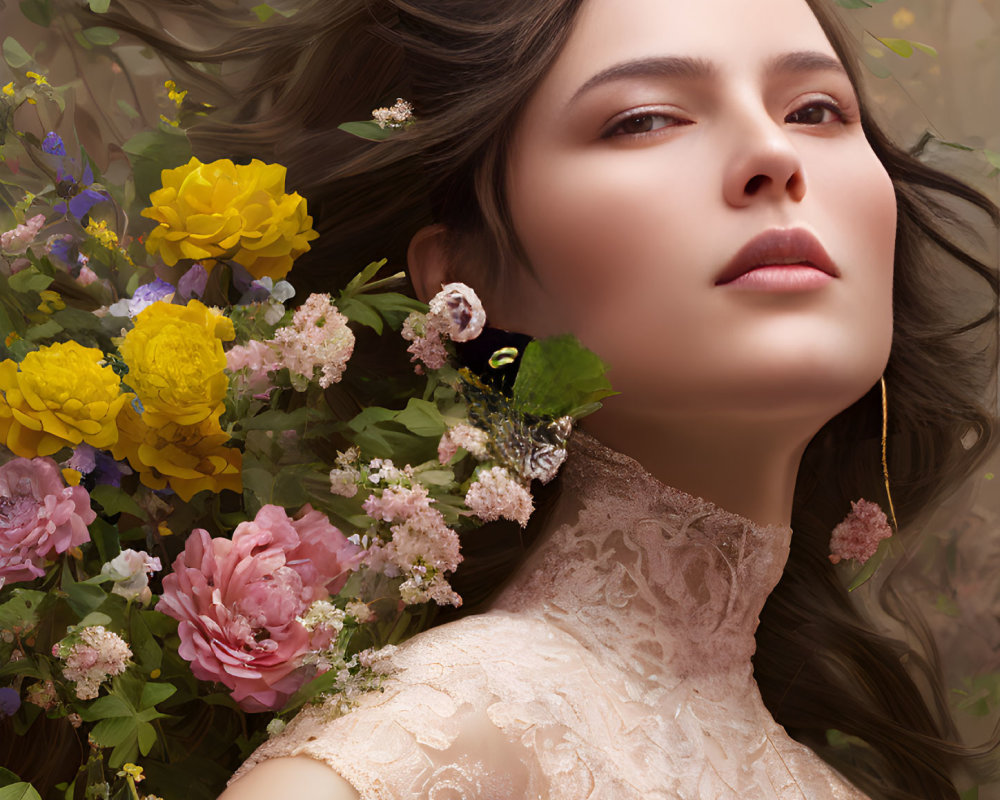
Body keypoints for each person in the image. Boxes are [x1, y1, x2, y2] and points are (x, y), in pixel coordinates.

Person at [94, 0, 998, 797]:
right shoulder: (430, 748)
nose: (773, 153)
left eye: (816, 110)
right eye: (645, 119)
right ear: (461, 287)